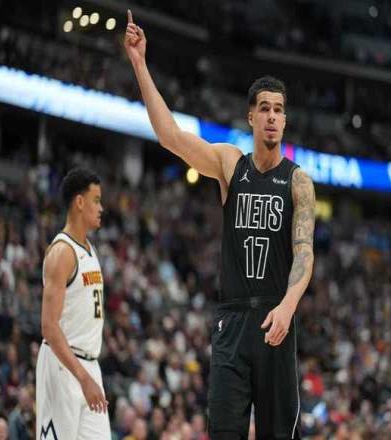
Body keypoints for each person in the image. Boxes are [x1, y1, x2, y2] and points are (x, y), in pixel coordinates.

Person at [125, 10, 315, 439]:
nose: (272, 116)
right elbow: (171, 137)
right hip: (232, 321)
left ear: (285, 120)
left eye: (278, 110)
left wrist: (288, 306)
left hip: (276, 318)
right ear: (251, 117)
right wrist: (139, 64)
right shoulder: (231, 164)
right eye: (264, 108)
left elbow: (305, 252)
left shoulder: (299, 182)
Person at [36, 168, 110, 439]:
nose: (101, 208)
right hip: (63, 365)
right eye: (96, 200)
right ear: (79, 202)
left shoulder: (90, 250)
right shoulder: (62, 253)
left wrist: (88, 376)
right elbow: (49, 327)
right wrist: (83, 377)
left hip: (90, 365)